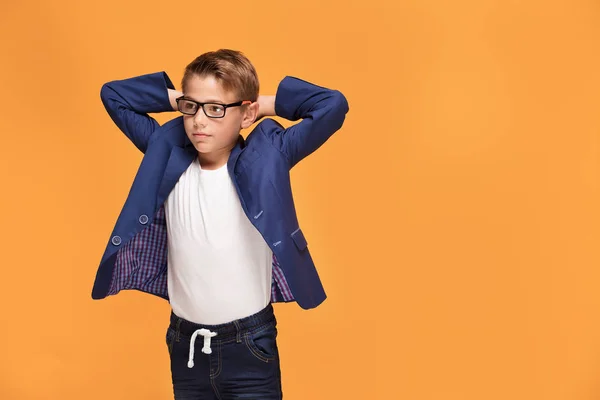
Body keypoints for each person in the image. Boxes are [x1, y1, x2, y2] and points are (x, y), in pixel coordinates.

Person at [91, 48, 349, 399]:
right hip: (186, 347)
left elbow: (332, 105)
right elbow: (114, 95)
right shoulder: (165, 152)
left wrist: (258, 104)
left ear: (246, 114)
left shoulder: (268, 156)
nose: (199, 121)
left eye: (216, 109)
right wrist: (180, 97)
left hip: (250, 347)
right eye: (191, 107)